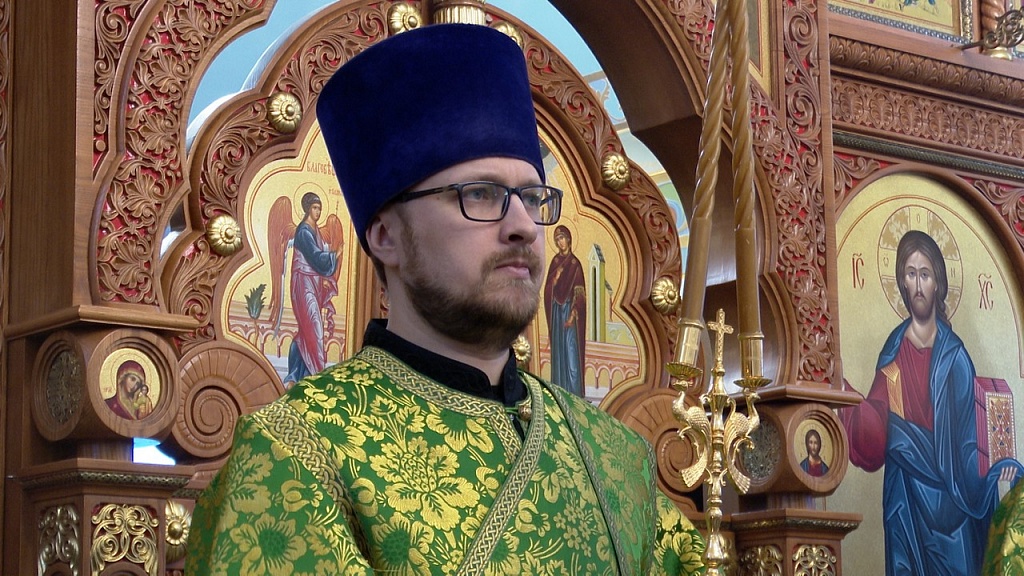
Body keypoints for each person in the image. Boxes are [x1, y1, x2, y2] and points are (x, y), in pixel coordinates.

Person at [186, 23, 706, 575]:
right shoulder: (295, 452)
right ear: (385, 236)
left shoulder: (615, 457)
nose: (523, 226)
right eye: (480, 194)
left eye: (532, 198)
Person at [839, 230, 1021, 575]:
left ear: (938, 283)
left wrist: (996, 470)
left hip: (952, 499)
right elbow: (877, 424)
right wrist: (846, 398)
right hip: (905, 496)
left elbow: (968, 442)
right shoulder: (893, 351)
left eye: (925, 274)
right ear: (901, 283)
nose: (919, 284)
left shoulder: (956, 358)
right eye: (911, 274)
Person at [282, 192, 339, 385]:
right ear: (307, 209)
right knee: (314, 327)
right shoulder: (304, 231)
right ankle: (317, 377)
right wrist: (335, 255)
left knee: (305, 332)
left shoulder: (316, 231)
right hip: (302, 284)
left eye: (320, 208)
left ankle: (296, 376)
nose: (318, 212)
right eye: (315, 208)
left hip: (313, 283)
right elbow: (316, 257)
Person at [544, 224, 586, 396]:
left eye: (562, 238)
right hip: (556, 311)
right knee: (559, 352)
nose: (560, 242)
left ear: (568, 239)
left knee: (571, 351)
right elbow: (548, 289)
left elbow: (580, 293)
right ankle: (558, 391)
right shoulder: (555, 262)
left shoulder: (575, 264)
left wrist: (573, 314)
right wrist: (555, 278)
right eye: (557, 239)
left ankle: (574, 393)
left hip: (569, 311)